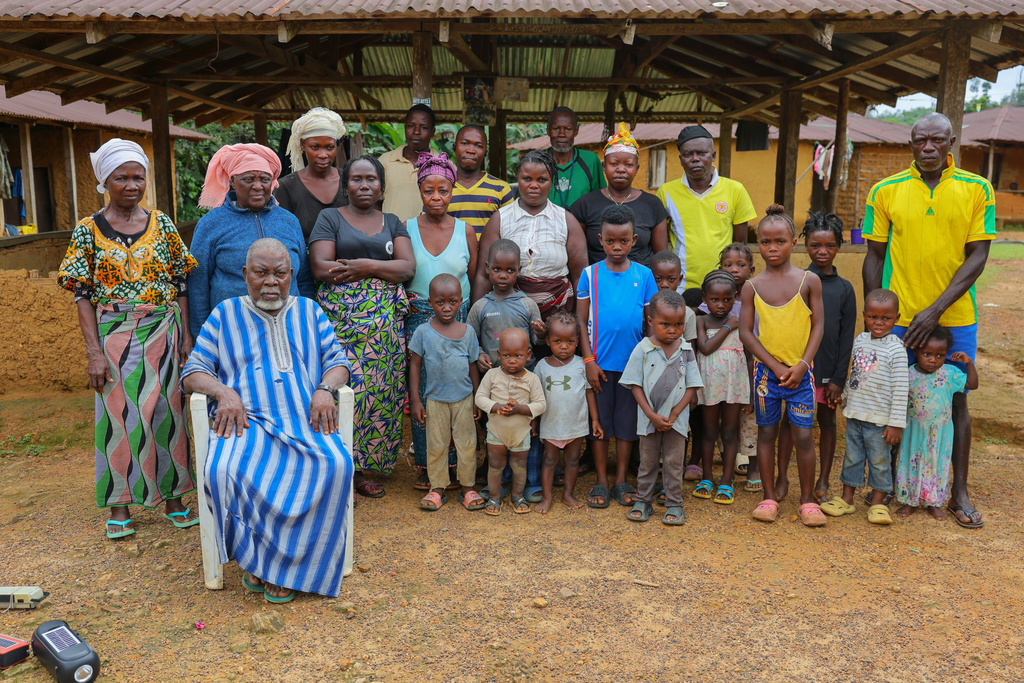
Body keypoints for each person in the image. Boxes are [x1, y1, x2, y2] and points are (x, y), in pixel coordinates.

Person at [182, 238, 353, 603]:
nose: (271, 282)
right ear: (246, 274)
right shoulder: (225, 314)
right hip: (247, 423)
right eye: (261, 273)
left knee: (337, 464)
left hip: (304, 420)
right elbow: (192, 372)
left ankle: (293, 565)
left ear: (292, 274)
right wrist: (223, 392)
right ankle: (258, 559)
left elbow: (339, 362)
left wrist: (325, 388)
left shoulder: (310, 311)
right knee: (223, 470)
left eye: (280, 273)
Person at [58, 138, 199, 539]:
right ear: (105, 181)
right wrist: (93, 353)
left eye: (139, 177)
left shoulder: (162, 224)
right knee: (117, 417)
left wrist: (186, 336)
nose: (132, 185)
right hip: (114, 334)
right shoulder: (87, 230)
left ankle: (174, 499)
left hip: (164, 329)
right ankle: (119, 504)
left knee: (168, 414)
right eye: (122, 177)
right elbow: (82, 294)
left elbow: (181, 282)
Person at [862, 112, 996, 529]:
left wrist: (935, 310)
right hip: (900, 319)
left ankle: (958, 492)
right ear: (911, 144)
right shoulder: (886, 190)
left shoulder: (977, 188)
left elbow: (979, 254)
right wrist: (875, 318)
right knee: (895, 399)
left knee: (955, 402)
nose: (929, 148)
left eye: (937, 140)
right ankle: (891, 484)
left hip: (954, 317)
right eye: (920, 141)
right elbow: (874, 256)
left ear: (951, 142)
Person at [308, 154, 416, 498]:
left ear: (381, 186)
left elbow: (407, 268)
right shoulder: (330, 218)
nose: (364, 185)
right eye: (357, 179)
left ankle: (364, 469)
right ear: (346, 185)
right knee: (343, 390)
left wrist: (365, 265)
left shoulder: (392, 221)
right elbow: (321, 267)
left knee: (380, 394)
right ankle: (339, 468)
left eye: (371, 179)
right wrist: (381, 267)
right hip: (341, 322)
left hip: (384, 330)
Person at [738, 205, 824, 527]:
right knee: (767, 434)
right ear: (758, 244)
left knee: (803, 436)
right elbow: (746, 333)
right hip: (766, 376)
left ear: (794, 242)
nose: (772, 248)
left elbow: (818, 326)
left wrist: (802, 365)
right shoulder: (752, 286)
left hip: (801, 375)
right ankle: (769, 497)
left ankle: (807, 500)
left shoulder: (809, 281)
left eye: (780, 241)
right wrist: (774, 366)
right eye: (765, 242)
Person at [404, 151, 479, 491]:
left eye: (443, 190)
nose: (436, 197)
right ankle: (427, 465)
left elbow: (473, 277)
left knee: (457, 389)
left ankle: (459, 466)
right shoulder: (406, 228)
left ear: (452, 191)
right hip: (418, 318)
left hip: (457, 319)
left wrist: (468, 316)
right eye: (428, 190)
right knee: (425, 392)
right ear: (420, 191)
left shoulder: (466, 231)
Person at [577, 205, 658, 509]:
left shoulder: (644, 275)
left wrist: (647, 362)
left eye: (623, 241)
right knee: (599, 425)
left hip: (631, 368)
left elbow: (651, 323)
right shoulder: (590, 274)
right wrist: (588, 361)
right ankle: (601, 479)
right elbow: (580, 321)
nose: (616, 247)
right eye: (610, 240)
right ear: (600, 240)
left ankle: (622, 478)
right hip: (599, 366)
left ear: (634, 240)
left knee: (626, 425)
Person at [188, 143, 314, 338]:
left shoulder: (289, 221)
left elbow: (303, 278)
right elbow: (198, 285)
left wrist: (305, 323)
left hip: (287, 328)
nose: (258, 186)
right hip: (232, 330)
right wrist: (202, 336)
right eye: (248, 179)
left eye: (264, 179)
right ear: (233, 181)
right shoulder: (211, 224)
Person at [777, 212, 857, 503]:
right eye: (815, 245)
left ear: (839, 247)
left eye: (830, 246)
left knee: (827, 421)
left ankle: (823, 480)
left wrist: (838, 378)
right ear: (804, 246)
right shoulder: (797, 282)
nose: (822, 251)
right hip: (798, 369)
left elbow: (846, 337)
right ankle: (782, 477)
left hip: (828, 373)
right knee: (789, 423)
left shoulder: (845, 289)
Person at [820, 289, 908, 526]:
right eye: (872, 317)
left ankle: (878, 503)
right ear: (864, 315)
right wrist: (844, 396)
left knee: (879, 462)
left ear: (897, 318)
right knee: (852, 458)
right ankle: (847, 499)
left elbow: (901, 389)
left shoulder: (897, 350)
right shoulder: (860, 341)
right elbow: (856, 375)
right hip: (856, 415)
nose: (878, 323)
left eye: (886, 318)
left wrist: (896, 424)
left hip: (880, 421)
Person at [620, 290, 703, 526]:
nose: (672, 330)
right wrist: (651, 415)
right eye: (665, 324)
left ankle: (675, 503)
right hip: (649, 420)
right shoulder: (643, 349)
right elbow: (635, 385)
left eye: (678, 325)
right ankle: (643, 500)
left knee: (674, 463)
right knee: (647, 463)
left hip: (676, 422)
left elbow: (692, 386)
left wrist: (675, 414)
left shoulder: (686, 350)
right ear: (650, 320)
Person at [475, 150, 588, 322]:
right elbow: (483, 276)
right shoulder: (500, 219)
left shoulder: (567, 221)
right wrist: (477, 321)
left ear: (552, 182)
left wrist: (581, 323)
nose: (534, 185)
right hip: (508, 314)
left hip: (559, 317)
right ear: (517, 179)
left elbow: (580, 276)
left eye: (542, 180)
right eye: (527, 178)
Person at [409, 274, 484, 512]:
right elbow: (415, 365)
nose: (447, 307)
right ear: (430, 302)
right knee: (436, 445)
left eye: (452, 302)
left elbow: (473, 365)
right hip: (435, 400)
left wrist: (477, 398)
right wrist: (415, 399)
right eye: (440, 302)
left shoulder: (468, 332)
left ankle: (468, 488)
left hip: (464, 398)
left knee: (467, 444)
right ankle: (437, 488)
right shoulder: (423, 332)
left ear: (461, 301)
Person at [656, 125, 757, 290]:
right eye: (688, 154)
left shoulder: (735, 190)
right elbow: (661, 244)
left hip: (722, 287)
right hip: (680, 286)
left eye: (702, 153)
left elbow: (740, 245)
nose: (695, 159)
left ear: (713, 155)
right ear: (680, 159)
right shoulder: (666, 192)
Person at [895, 327, 979, 520]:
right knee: (911, 463)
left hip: (940, 433)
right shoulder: (908, 375)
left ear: (946, 354)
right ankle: (910, 501)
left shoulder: (949, 374)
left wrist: (969, 363)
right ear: (916, 351)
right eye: (927, 354)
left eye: (940, 355)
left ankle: (933, 503)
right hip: (913, 430)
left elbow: (972, 384)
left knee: (937, 466)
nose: (933, 360)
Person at [569, 122, 669, 267]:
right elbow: (576, 253)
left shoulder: (653, 205)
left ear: (637, 168)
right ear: (604, 166)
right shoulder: (585, 204)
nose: (621, 169)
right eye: (614, 164)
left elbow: (661, 258)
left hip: (640, 280)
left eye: (628, 165)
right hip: (598, 279)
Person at [533, 312, 603, 514]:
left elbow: (589, 393)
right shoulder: (541, 366)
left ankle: (568, 494)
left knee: (572, 461)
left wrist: (595, 420)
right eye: (557, 341)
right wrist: (534, 422)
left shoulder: (581, 365)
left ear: (578, 341)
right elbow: (536, 397)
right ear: (547, 341)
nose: (564, 346)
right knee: (549, 460)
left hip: (576, 425)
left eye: (570, 341)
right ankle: (547, 497)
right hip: (551, 425)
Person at [475, 328, 547, 516]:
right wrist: (496, 407)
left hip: (520, 433)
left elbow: (541, 404)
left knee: (519, 466)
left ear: (528, 355)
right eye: (506, 355)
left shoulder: (532, 379)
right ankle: (494, 497)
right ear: (498, 355)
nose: (512, 360)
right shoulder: (492, 375)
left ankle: (518, 496)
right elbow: (479, 398)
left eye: (518, 355)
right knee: (495, 465)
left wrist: (520, 409)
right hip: (496, 432)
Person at [694, 269, 750, 506]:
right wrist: (728, 327)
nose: (721, 305)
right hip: (710, 385)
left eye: (727, 299)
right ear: (704, 298)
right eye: (714, 299)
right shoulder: (701, 321)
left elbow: (748, 356)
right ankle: (707, 477)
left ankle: (727, 480)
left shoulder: (741, 322)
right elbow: (705, 348)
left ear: (735, 297)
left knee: (729, 432)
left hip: (734, 385)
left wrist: (750, 394)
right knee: (708, 431)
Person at [275, 107, 348, 240]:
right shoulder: (286, 187)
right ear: (303, 145)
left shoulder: (349, 180)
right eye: (315, 147)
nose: (323, 155)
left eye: (330, 147)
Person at [448, 125, 514, 238]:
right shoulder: (440, 187)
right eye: (464, 143)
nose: (470, 150)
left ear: (485, 152)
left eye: (478, 146)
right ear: (454, 147)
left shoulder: (501, 188)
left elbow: (510, 232)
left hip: (490, 250)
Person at [379, 104, 436, 221]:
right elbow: (375, 202)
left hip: (429, 232)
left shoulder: (443, 165)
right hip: (391, 231)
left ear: (432, 132)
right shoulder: (385, 161)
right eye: (411, 126)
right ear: (405, 128)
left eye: (424, 127)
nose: (416, 131)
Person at [546, 106, 605, 208]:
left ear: (576, 131)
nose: (561, 134)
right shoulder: (536, 162)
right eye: (556, 128)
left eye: (568, 129)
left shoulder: (590, 160)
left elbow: (601, 201)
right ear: (548, 130)